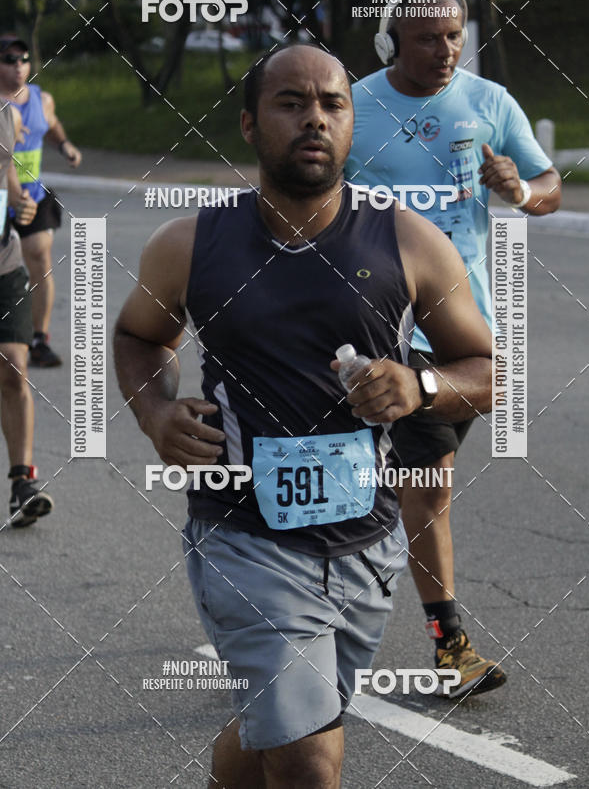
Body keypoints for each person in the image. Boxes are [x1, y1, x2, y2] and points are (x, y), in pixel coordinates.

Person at [113, 44, 492, 788]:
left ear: (353, 125)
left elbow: (487, 370)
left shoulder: (409, 242)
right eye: (291, 103)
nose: (314, 118)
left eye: (332, 104)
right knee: (312, 761)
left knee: (282, 733)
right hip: (241, 536)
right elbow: (138, 335)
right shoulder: (190, 244)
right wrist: (154, 412)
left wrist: (420, 387)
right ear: (251, 124)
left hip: (366, 541)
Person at [346, 0, 562, 698]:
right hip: (369, 325)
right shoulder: (353, 104)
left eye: (454, 34)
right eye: (428, 37)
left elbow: (547, 185)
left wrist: (521, 192)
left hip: (461, 329)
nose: (445, 49)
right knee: (424, 485)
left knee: (414, 486)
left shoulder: (488, 101)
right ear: (391, 43)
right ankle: (450, 643)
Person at [0, 34, 82, 368]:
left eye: (23, 60)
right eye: (9, 60)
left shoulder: (40, 99)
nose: (18, 67)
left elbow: (51, 125)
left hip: (31, 196)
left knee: (40, 257)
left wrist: (65, 146)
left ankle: (38, 339)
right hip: (4, 198)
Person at [0, 98, 53, 526]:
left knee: (14, 366)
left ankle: (22, 484)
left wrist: (19, 203)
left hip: (4, 264)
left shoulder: (7, 116)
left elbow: (8, 170)